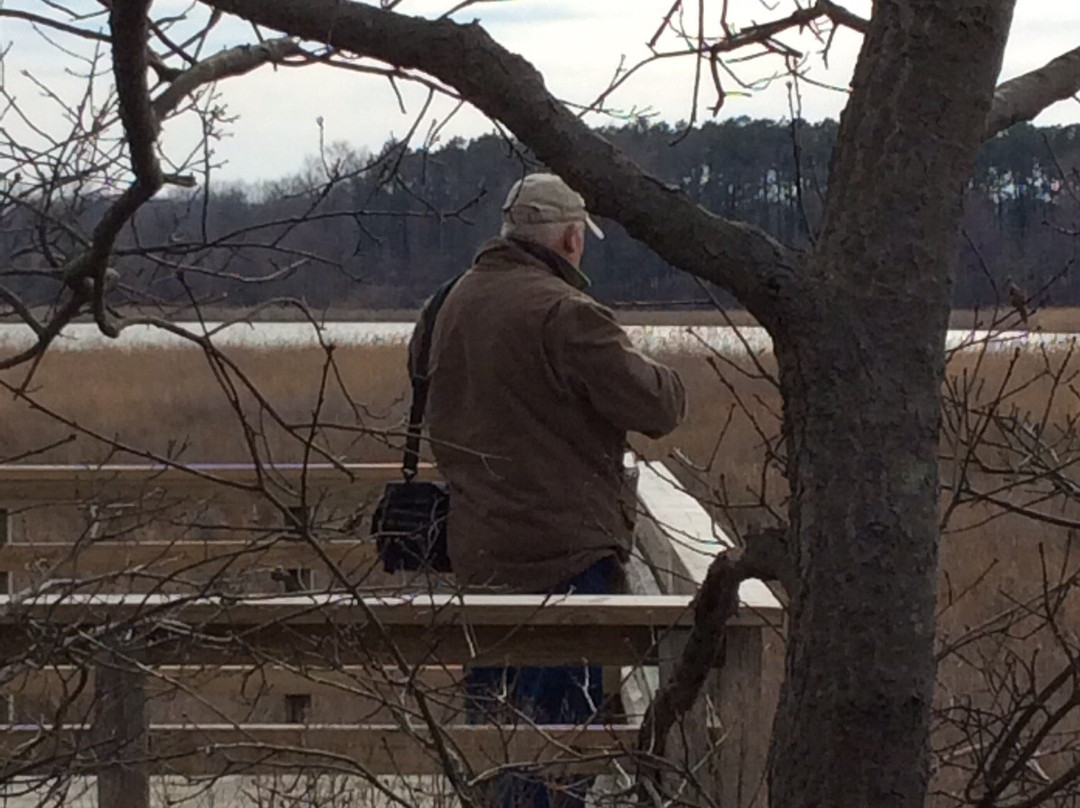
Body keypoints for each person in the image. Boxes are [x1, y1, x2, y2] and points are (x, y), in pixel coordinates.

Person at [408, 172, 686, 807]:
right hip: (564, 560)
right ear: (568, 239)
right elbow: (658, 406)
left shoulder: (446, 303)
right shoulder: (567, 314)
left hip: (476, 552)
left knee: (495, 737)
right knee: (563, 747)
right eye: (580, 239)